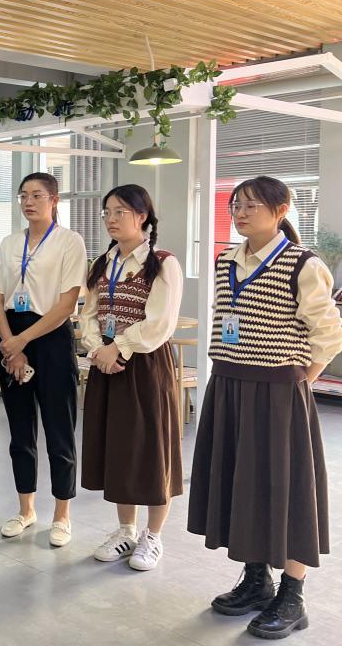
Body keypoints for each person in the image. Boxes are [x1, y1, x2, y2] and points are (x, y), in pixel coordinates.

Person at [188, 176, 342, 640]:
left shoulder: (303, 264)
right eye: (236, 205)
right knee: (242, 484)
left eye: (251, 205)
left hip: (277, 392)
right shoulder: (226, 260)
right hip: (229, 385)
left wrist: (300, 380)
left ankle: (293, 596)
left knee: (287, 489)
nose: (240, 212)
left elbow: (328, 333)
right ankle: (257, 580)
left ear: (281, 210)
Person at [79, 185, 183, 571]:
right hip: (107, 364)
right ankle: (125, 530)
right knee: (119, 449)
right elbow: (88, 314)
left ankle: (153, 537)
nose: (111, 219)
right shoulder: (103, 263)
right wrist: (97, 349)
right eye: (107, 212)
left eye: (120, 212)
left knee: (152, 449)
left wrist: (118, 348)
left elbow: (160, 323)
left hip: (145, 364)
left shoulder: (162, 263)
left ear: (142, 216)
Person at [0, 172, 86, 547]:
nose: (29, 202)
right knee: (20, 431)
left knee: (59, 430)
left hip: (50, 337)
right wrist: (10, 343)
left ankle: (62, 515)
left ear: (54, 200)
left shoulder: (69, 241)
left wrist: (21, 342)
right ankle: (26, 509)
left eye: (37, 195)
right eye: (23, 195)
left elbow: (66, 305)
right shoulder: (9, 242)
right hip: (12, 334)